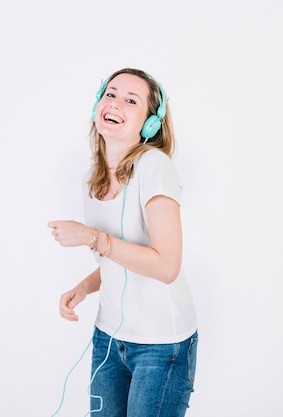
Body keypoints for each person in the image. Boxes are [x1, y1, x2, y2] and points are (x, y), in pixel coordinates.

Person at [48, 68, 198, 416]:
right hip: (108, 338)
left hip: (161, 347)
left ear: (149, 124)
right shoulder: (92, 178)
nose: (115, 103)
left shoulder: (155, 167)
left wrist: (91, 238)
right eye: (111, 93)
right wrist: (85, 287)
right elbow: (123, 256)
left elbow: (166, 266)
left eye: (132, 100)